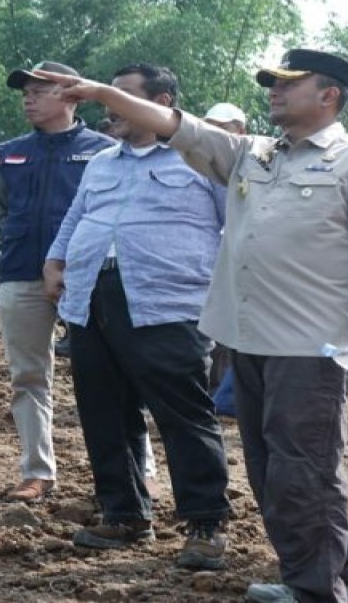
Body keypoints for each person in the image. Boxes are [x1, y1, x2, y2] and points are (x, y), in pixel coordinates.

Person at [38, 47, 348, 603]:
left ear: (329, 95)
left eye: (289, 83)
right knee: (268, 468)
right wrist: (102, 93)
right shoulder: (253, 155)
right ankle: (318, 576)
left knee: (305, 468)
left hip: (311, 343)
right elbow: (175, 125)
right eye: (272, 83)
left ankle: (320, 588)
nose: (274, 91)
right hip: (247, 336)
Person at [44, 63, 231, 570]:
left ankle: (207, 523)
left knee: (184, 414)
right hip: (90, 299)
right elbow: (77, 217)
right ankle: (125, 514)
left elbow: (235, 226)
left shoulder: (201, 158)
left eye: (122, 96)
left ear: (162, 101)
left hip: (168, 303)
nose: (110, 106)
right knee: (104, 411)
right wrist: (55, 260)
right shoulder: (102, 163)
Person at [0, 61, 114, 503]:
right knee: (28, 375)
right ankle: (36, 471)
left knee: (113, 376)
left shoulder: (105, 152)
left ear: (72, 95)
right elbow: (4, 211)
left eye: (39, 90)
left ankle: (139, 469)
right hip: (21, 273)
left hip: (86, 277)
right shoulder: (9, 153)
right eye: (25, 91)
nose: (28, 98)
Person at [200, 101, 248, 411]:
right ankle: (216, 394)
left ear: (240, 131)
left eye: (223, 128)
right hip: (208, 265)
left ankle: (228, 398)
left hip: (240, 262)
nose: (215, 134)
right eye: (211, 127)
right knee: (212, 331)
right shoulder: (198, 161)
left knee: (235, 335)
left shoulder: (250, 164)